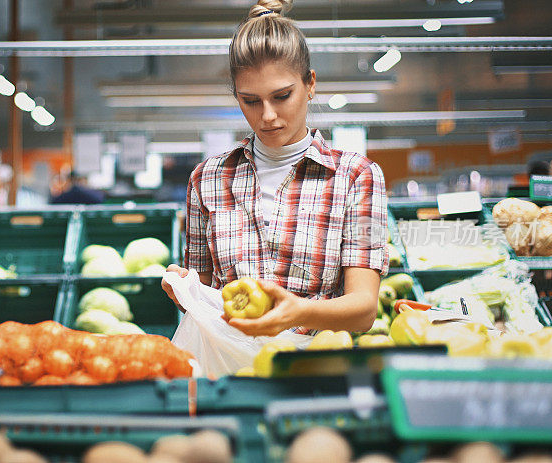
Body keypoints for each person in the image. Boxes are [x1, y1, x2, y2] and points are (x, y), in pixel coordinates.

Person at [161, 0, 388, 337]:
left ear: (310, 84)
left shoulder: (356, 177)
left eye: (282, 96)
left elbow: (363, 309)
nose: (266, 115)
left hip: (315, 371)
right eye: (250, 101)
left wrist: (300, 311)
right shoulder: (205, 180)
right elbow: (203, 298)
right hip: (229, 370)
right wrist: (184, 289)